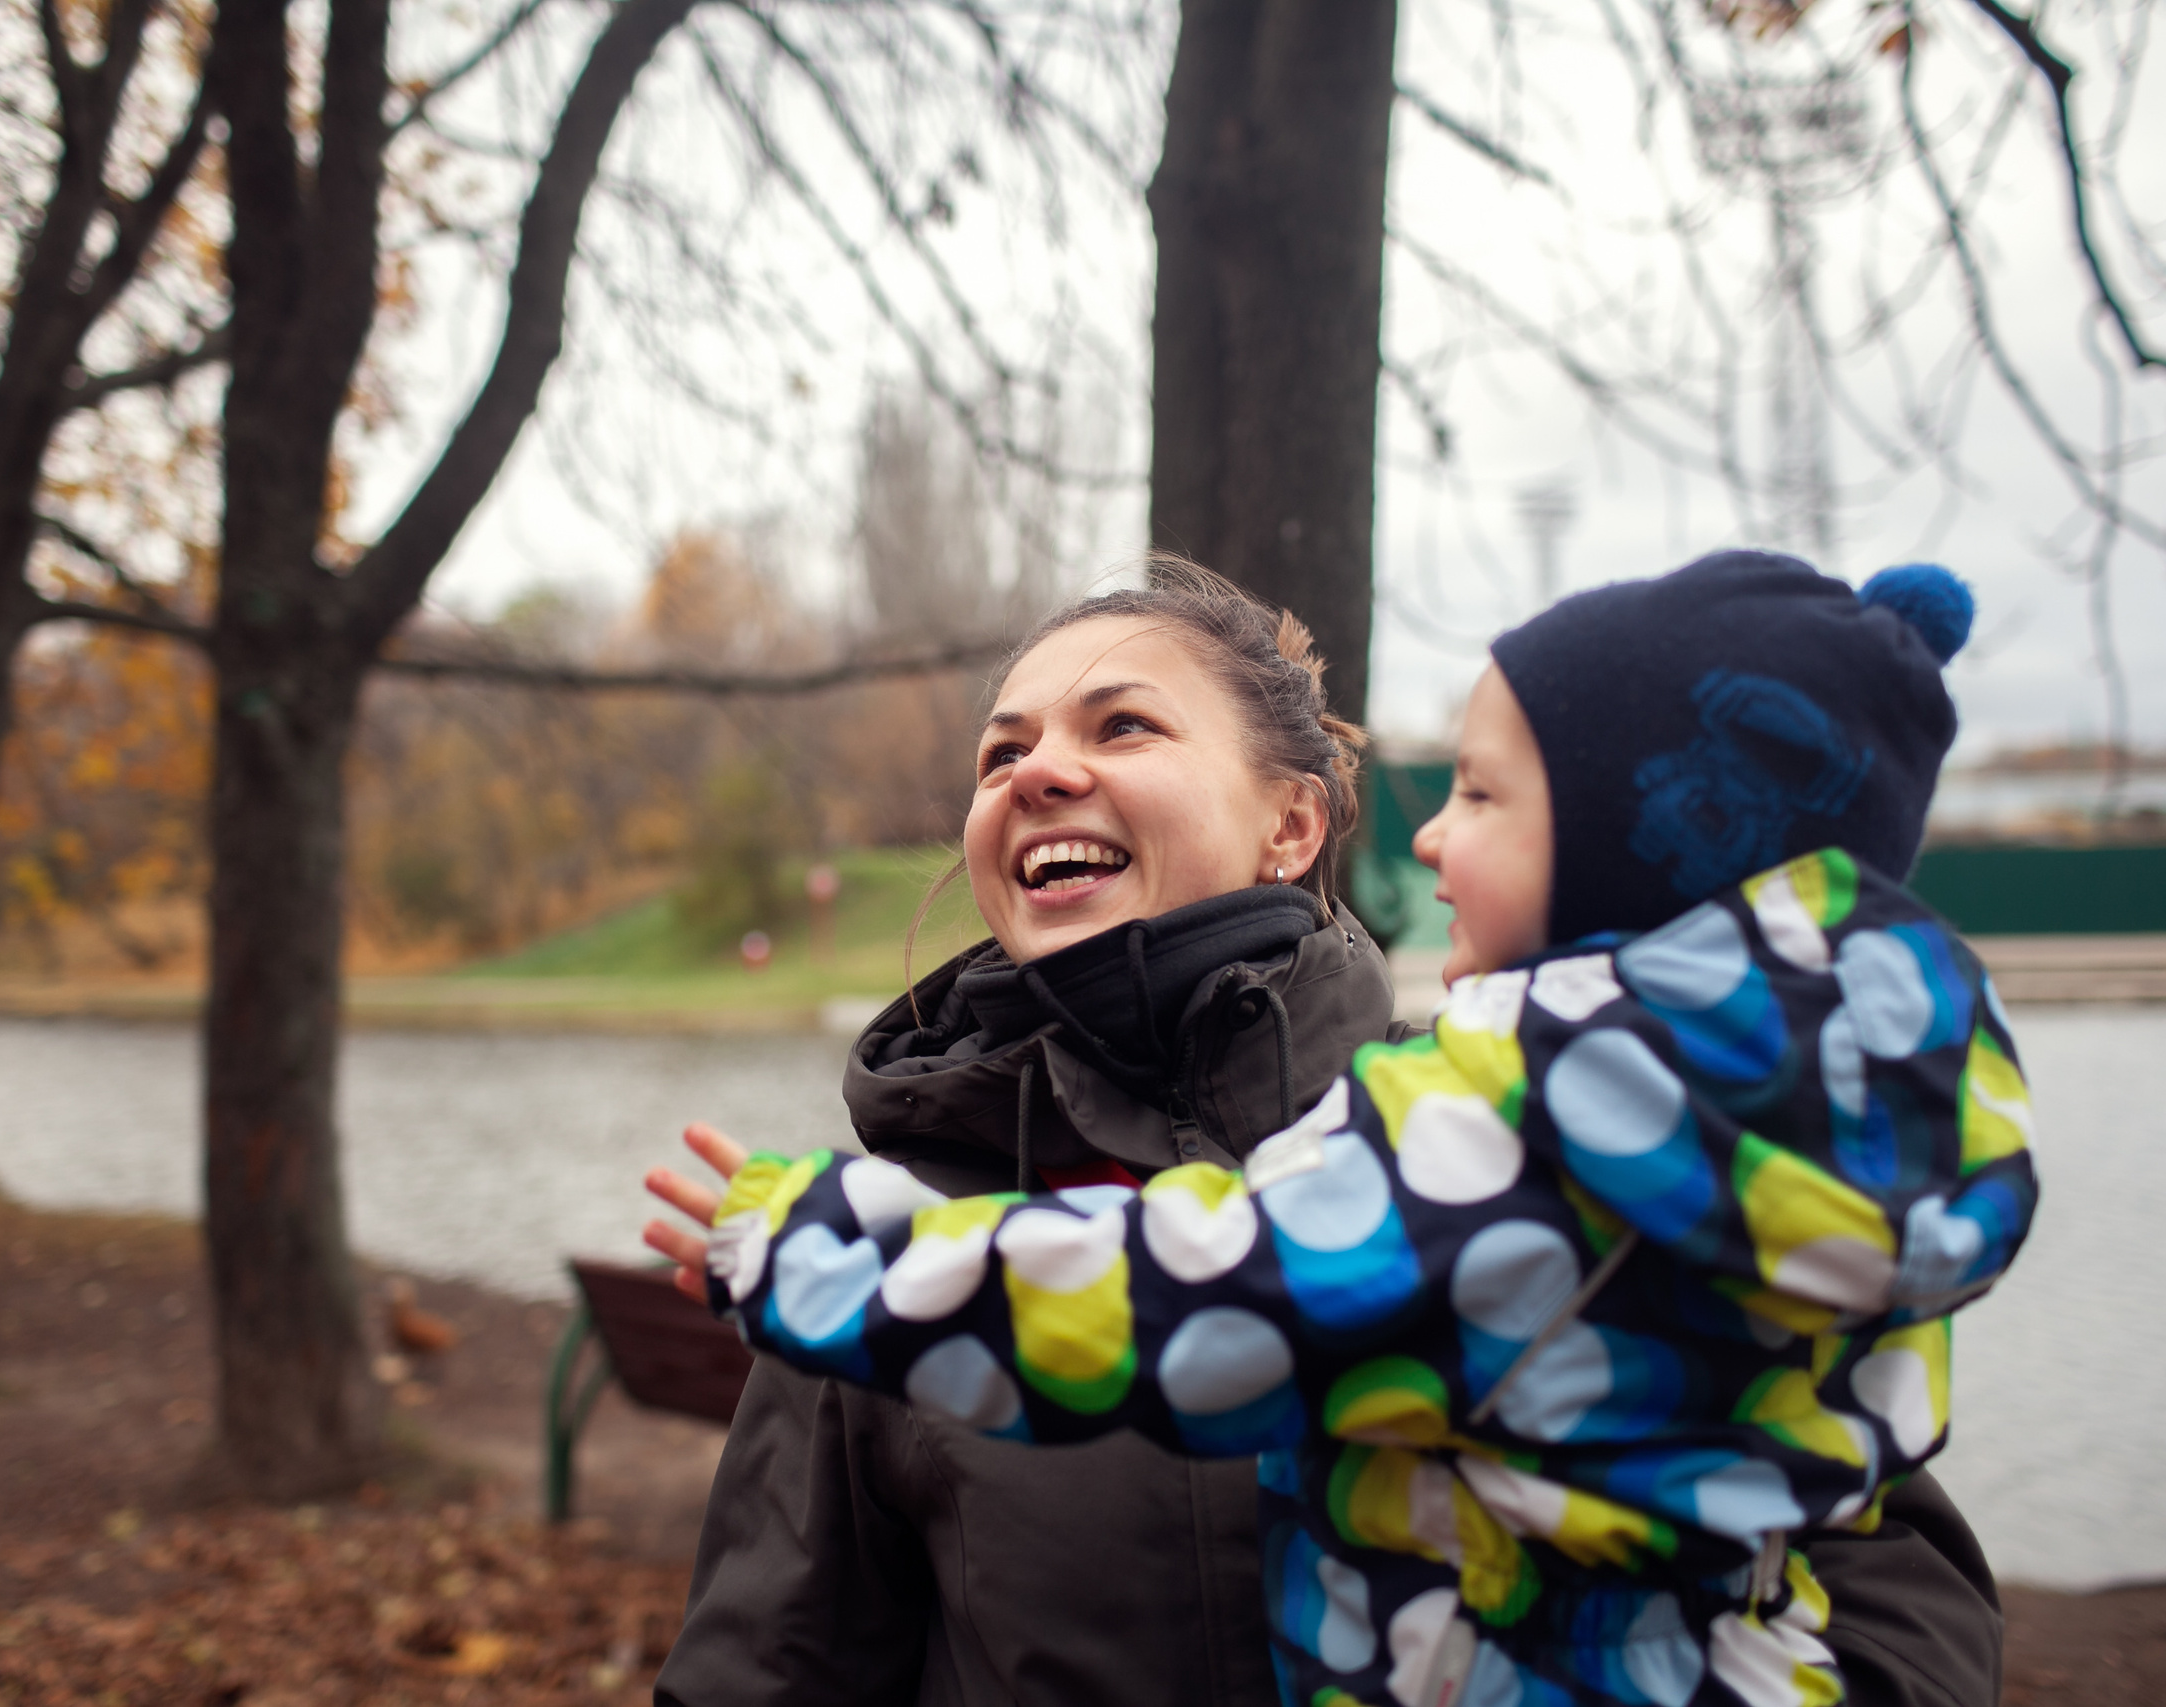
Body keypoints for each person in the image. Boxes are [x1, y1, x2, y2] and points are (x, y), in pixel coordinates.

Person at [647, 556, 2019, 1707]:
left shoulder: (1536, 1151)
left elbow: (1894, 1583)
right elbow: (765, 1670)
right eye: (1003, 751)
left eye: (1121, 728)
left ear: (1292, 824)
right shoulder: (908, 1224)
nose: (1037, 772)